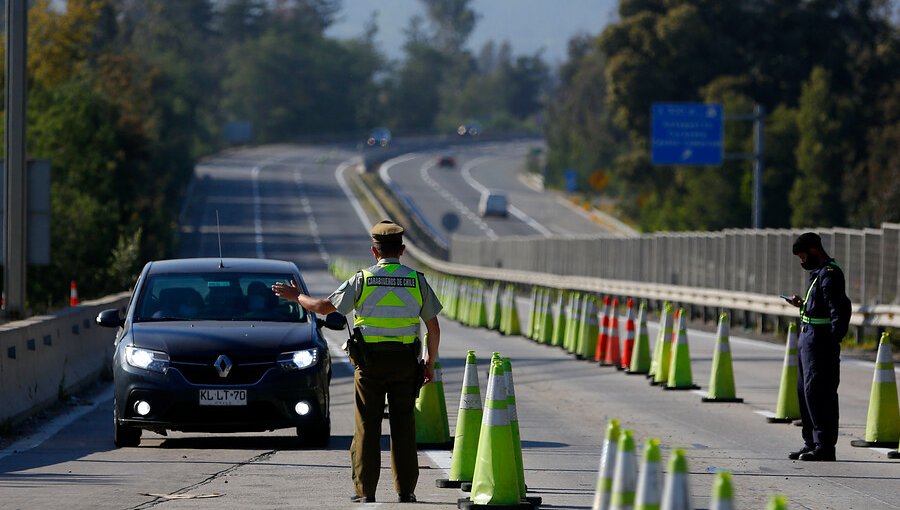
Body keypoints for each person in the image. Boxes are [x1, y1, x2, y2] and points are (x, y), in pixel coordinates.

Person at [272, 220, 442, 503]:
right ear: (401, 250)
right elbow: (433, 328)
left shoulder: (362, 279)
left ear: (374, 252)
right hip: (405, 363)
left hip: (370, 364)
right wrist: (428, 363)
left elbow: (323, 307)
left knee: (368, 425)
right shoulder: (417, 280)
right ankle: (406, 491)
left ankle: (366, 491)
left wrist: (296, 296)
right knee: (404, 425)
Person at [785, 232, 851, 462]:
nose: (802, 262)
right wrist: (802, 305)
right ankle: (810, 442)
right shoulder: (818, 275)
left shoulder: (830, 275)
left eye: (803, 257)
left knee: (819, 392)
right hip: (808, 337)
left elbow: (839, 311)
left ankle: (824, 445)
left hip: (820, 342)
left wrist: (833, 341)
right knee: (805, 392)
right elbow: (820, 307)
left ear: (814, 251)